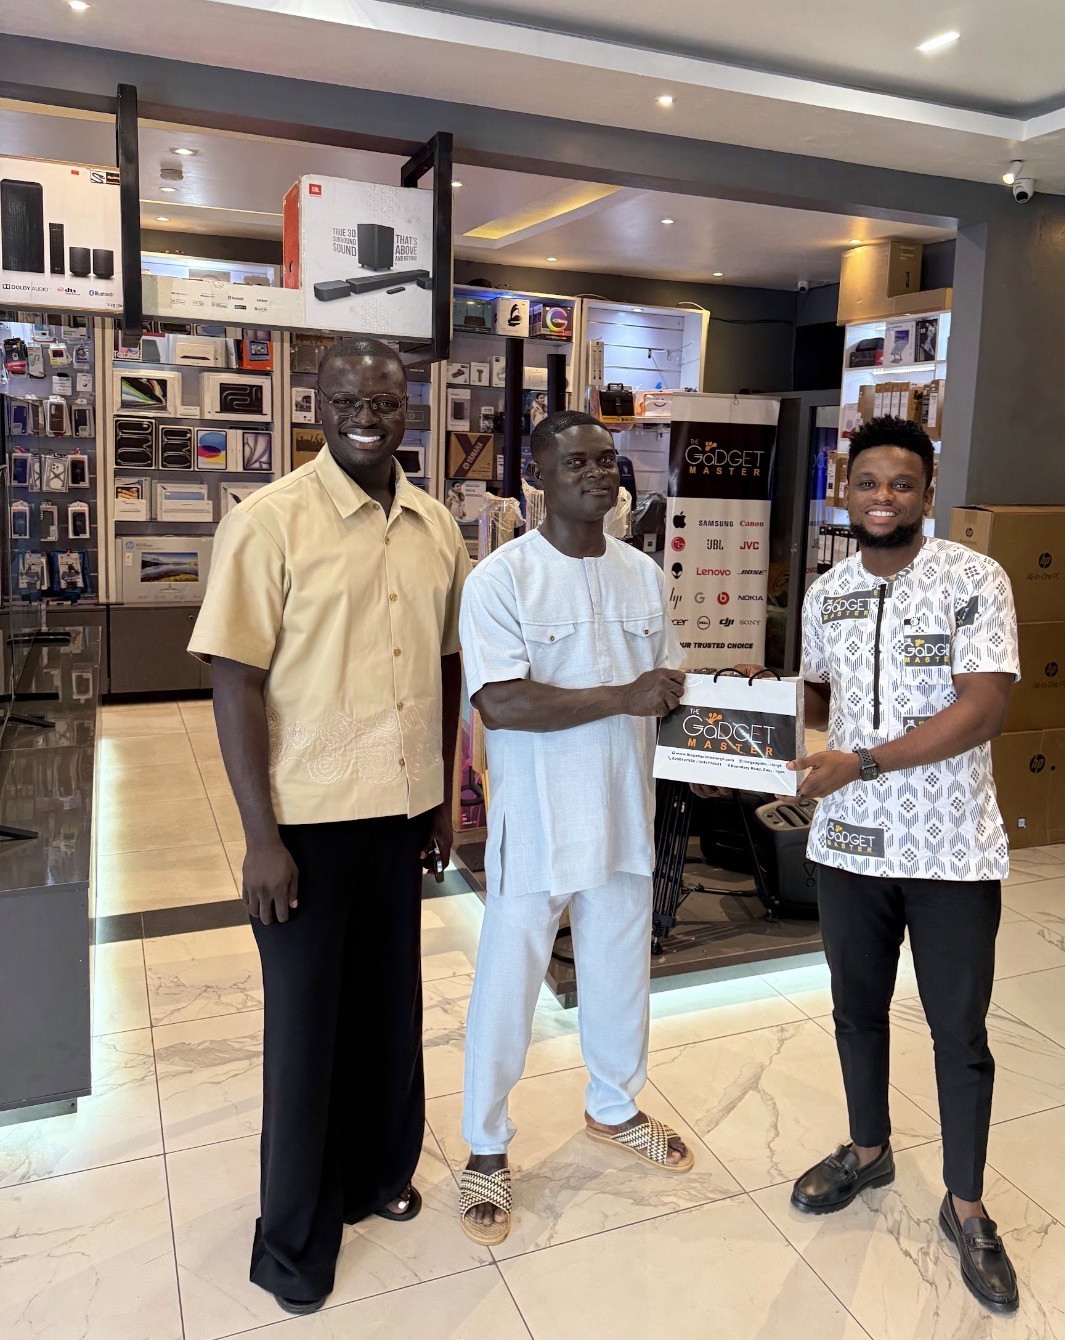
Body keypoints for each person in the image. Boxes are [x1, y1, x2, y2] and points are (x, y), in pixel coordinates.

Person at [188, 337, 470, 1315]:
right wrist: (260, 837)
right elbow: (235, 677)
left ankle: (376, 1175)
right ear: (316, 404)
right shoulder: (269, 523)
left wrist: (439, 794)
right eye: (346, 396)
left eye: (386, 398)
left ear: (408, 406)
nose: (368, 412)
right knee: (306, 1033)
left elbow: (445, 665)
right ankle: (293, 1241)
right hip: (305, 823)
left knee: (387, 1009)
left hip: (397, 815)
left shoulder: (435, 524)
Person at [787, 414, 1021, 1313]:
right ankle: (868, 1151)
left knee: (959, 1032)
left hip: (950, 847)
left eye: (902, 485)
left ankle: (967, 1208)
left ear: (926, 494)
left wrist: (867, 761)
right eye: (867, 483)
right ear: (845, 490)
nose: (883, 499)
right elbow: (818, 689)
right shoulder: (826, 591)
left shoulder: (974, 579)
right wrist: (766, 733)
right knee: (855, 1010)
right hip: (848, 844)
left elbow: (984, 707)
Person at [455, 409, 691, 1246]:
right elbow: (501, 702)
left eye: (609, 461)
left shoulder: (644, 577)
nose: (600, 474)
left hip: (627, 806)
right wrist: (622, 696)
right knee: (508, 985)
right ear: (538, 476)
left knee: (622, 966)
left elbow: (667, 689)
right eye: (579, 462)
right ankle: (486, 1147)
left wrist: (744, 718)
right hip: (542, 818)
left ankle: (614, 1106)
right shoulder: (501, 580)